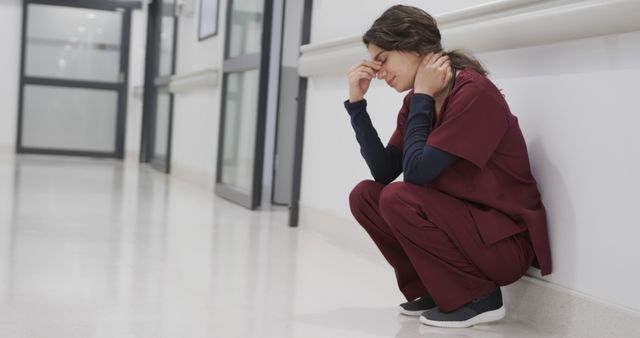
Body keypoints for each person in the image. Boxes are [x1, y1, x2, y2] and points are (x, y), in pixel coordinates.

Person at [346, 5, 552, 328]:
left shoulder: (472, 94)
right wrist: (357, 105)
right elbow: (384, 171)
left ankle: (479, 297)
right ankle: (435, 288)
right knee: (365, 196)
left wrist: (424, 96)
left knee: (397, 198)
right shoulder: (418, 101)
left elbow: (414, 173)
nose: (379, 72)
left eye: (383, 58)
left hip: (504, 246)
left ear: (414, 46)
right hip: (471, 231)